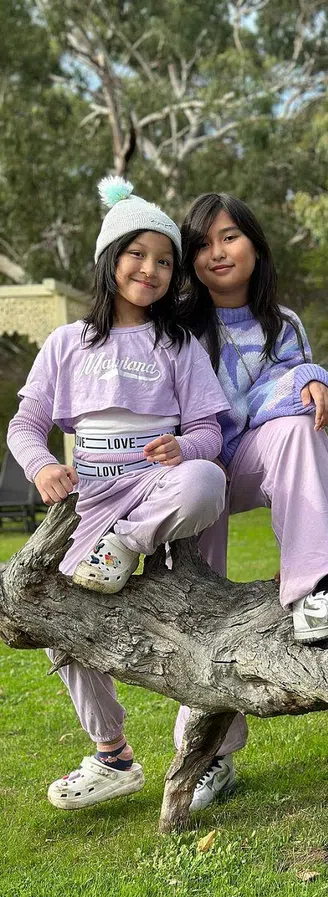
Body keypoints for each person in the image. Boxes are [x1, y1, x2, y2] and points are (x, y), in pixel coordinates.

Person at [7, 177, 230, 810]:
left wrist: (184, 448)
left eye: (165, 261)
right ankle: (112, 755)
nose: (151, 270)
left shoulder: (178, 344)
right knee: (56, 622)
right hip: (90, 499)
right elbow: (25, 426)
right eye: (138, 255)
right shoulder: (66, 344)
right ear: (110, 260)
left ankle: (126, 547)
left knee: (205, 481)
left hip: (157, 490)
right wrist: (44, 467)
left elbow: (211, 432)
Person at [173, 194, 328, 812]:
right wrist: (302, 382)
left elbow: (277, 403)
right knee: (200, 609)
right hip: (195, 464)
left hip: (253, 457)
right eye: (203, 244)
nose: (218, 253)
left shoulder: (283, 325)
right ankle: (211, 754)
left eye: (231, 237)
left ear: (256, 246)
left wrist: (307, 378)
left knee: (297, 431)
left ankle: (313, 595)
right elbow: (223, 408)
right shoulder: (180, 324)